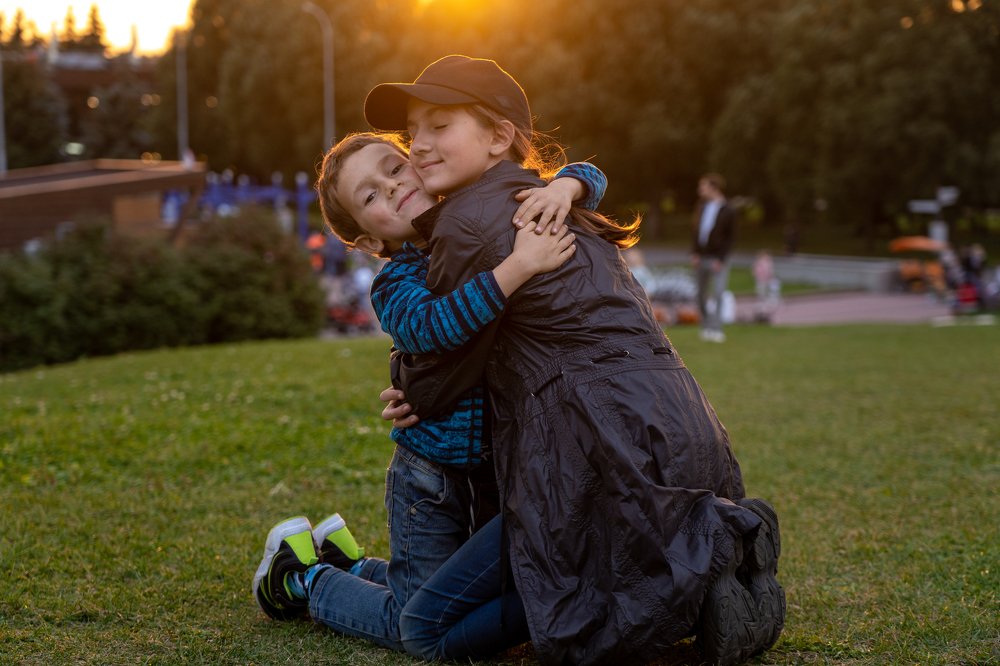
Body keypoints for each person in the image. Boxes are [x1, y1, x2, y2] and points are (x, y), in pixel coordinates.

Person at [363, 55, 783, 666]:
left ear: (498, 135)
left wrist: (407, 389)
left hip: (594, 438)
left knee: (461, 620)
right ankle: (717, 563)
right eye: (413, 132)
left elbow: (442, 364)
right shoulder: (556, 201)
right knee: (617, 562)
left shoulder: (466, 222)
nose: (419, 146)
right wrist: (571, 180)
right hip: (682, 422)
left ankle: (717, 554)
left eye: (439, 125)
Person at [252, 130, 608, 651]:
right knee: (411, 619)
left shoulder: (476, 220)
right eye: (370, 195)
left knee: (448, 594)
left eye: (393, 169)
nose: (391, 188)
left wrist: (564, 190)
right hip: (431, 483)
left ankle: (344, 561)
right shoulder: (394, 282)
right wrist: (518, 268)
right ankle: (304, 578)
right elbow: (432, 327)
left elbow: (593, 175)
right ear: (370, 242)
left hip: (494, 472)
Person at [692, 173, 736, 342]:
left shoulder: (729, 210)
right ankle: (706, 327)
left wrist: (721, 259)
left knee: (718, 293)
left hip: (718, 259)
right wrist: (694, 252)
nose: (700, 190)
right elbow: (696, 231)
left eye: (703, 186)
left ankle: (717, 329)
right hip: (701, 257)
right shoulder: (701, 207)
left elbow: (731, 238)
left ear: (714, 188)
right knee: (700, 294)